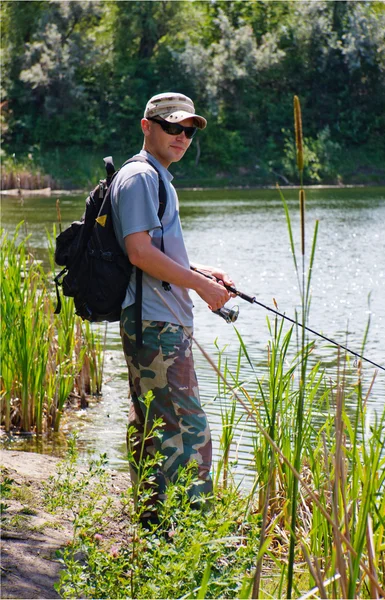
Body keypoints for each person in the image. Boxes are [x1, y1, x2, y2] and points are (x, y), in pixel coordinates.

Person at [111, 92, 235, 525]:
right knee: (189, 432)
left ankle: (155, 529)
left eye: (188, 130)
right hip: (155, 324)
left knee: (152, 428)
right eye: (172, 127)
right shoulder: (141, 177)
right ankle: (191, 539)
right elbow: (139, 253)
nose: (181, 136)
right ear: (147, 127)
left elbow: (154, 252)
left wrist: (202, 272)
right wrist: (200, 286)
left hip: (157, 321)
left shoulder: (155, 177)